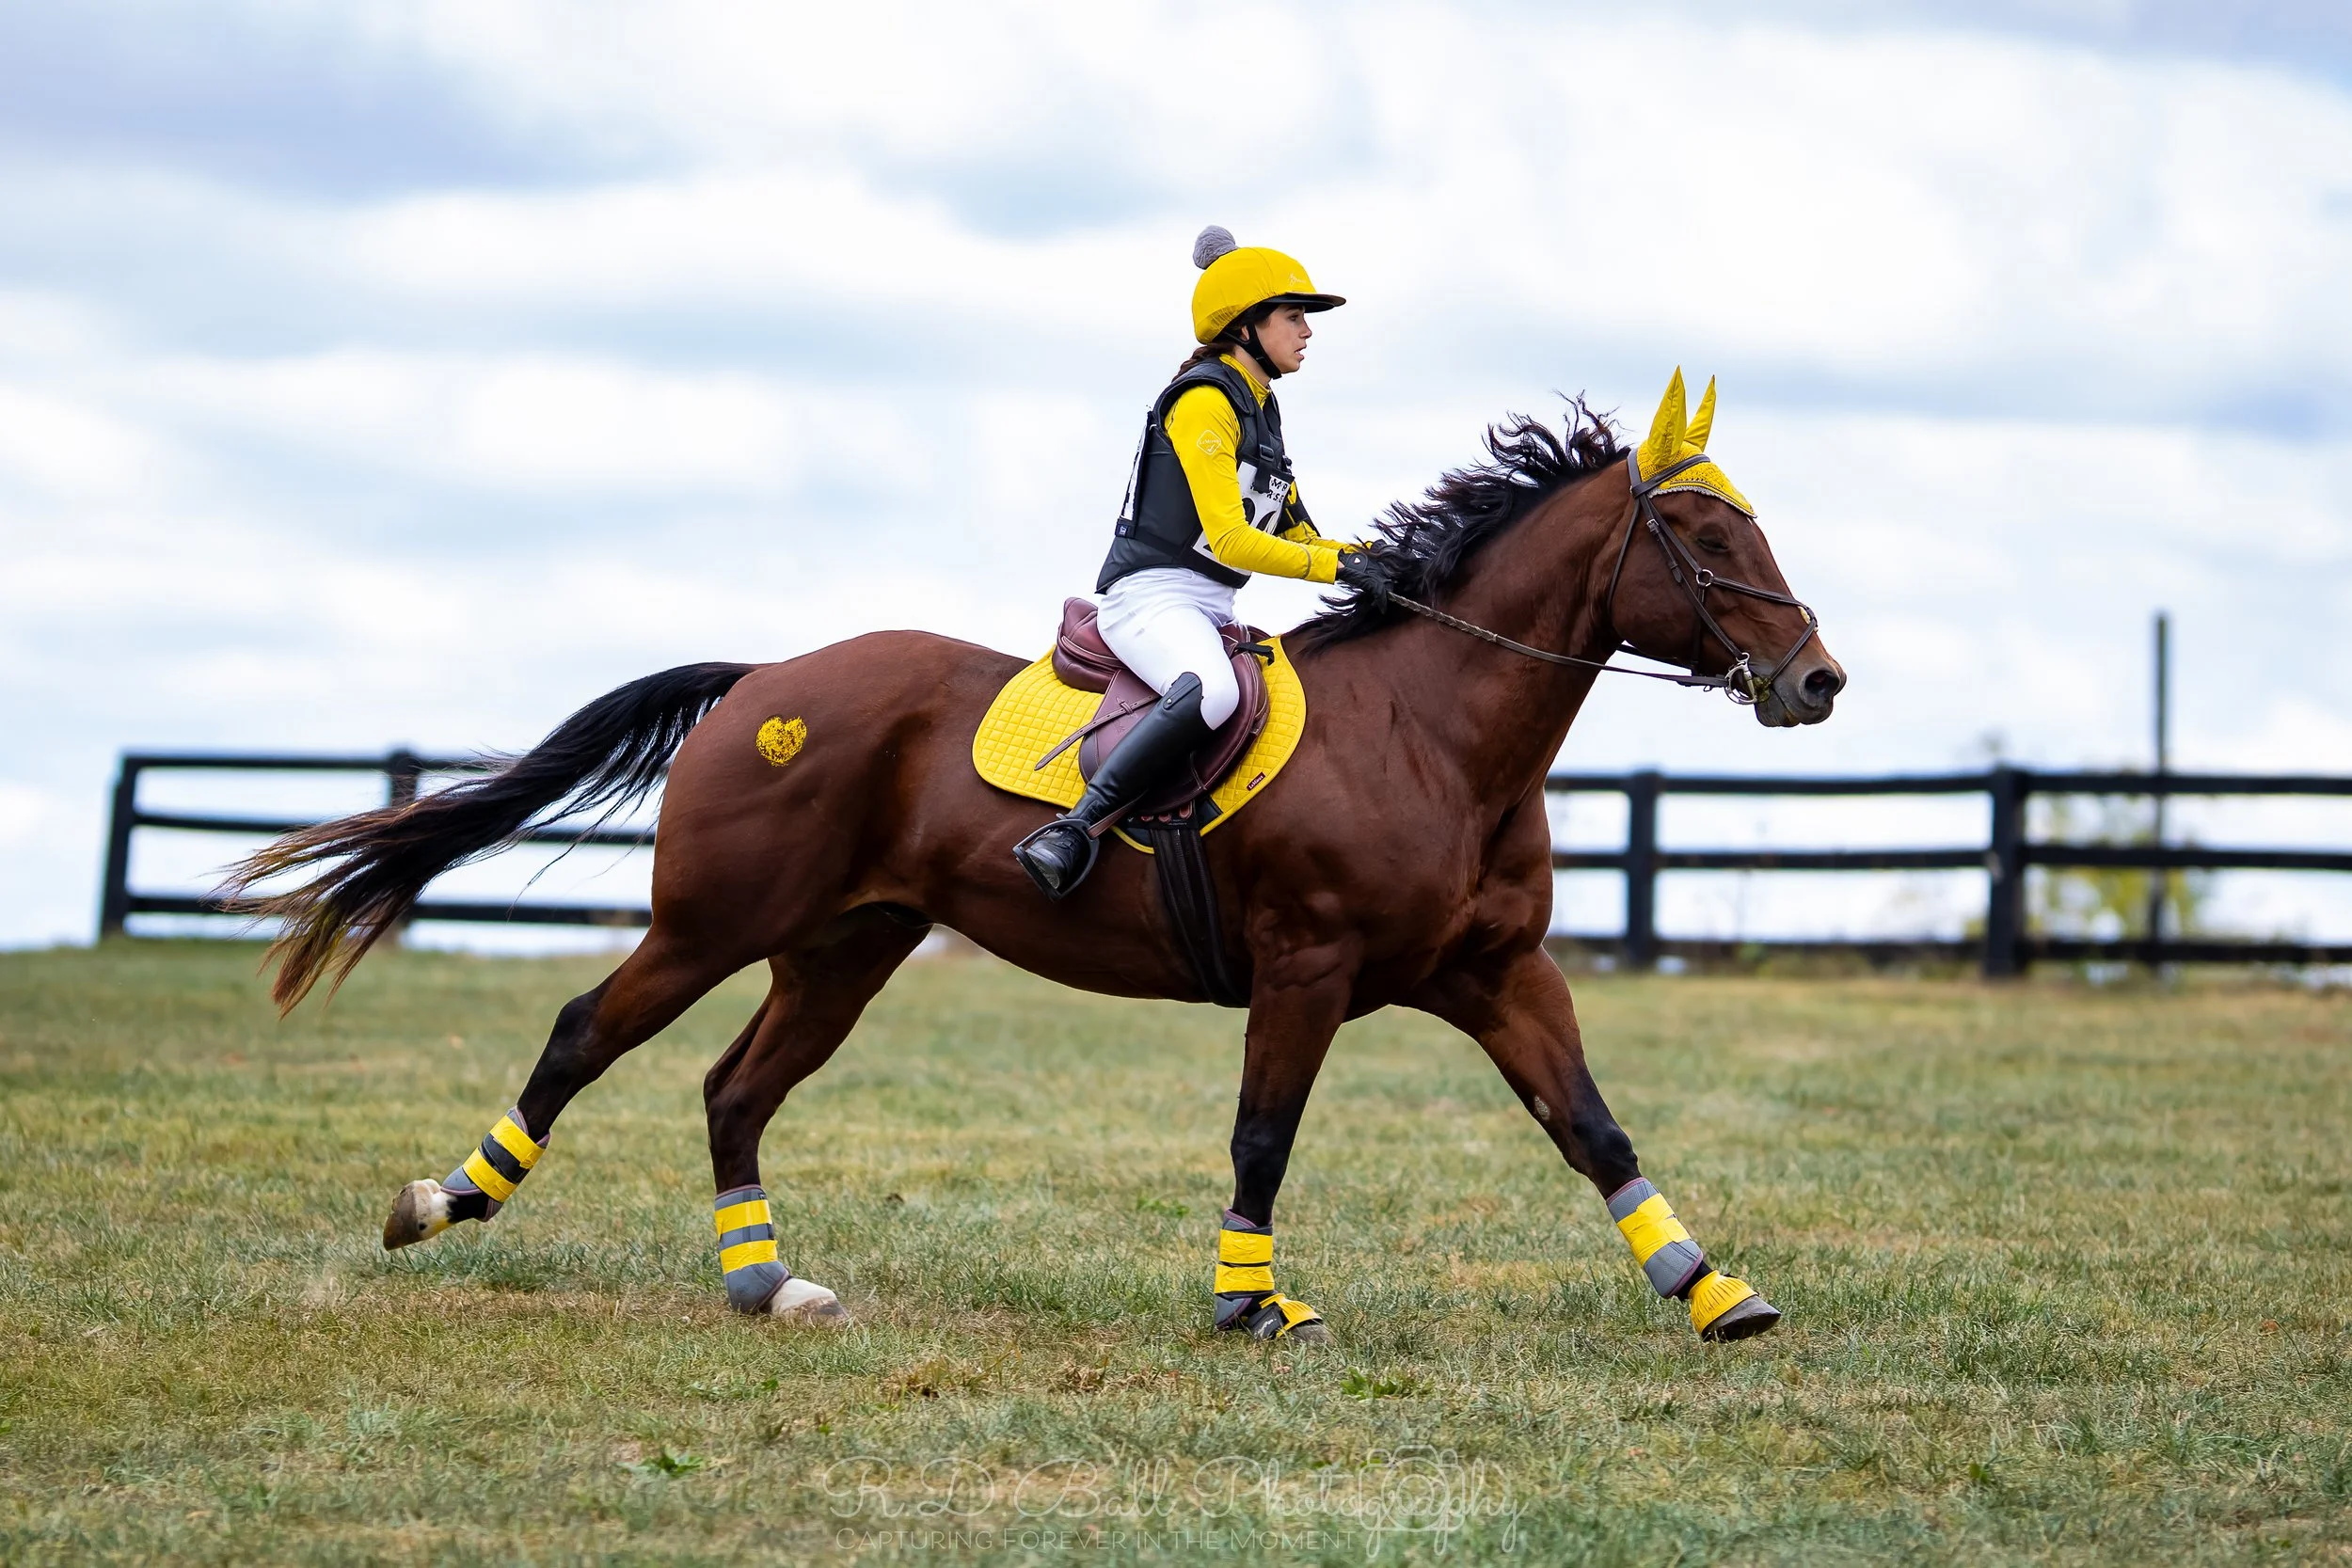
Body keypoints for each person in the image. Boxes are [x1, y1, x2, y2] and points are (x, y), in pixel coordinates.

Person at [1013, 226, 1392, 899]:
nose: (1308, 331)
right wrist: (1338, 571)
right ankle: (1073, 829)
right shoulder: (1204, 402)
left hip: (1209, 604)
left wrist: (1377, 559)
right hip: (1150, 598)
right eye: (1294, 316)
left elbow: (1300, 531)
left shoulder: (1262, 409)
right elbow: (1232, 542)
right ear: (1246, 326)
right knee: (1212, 691)